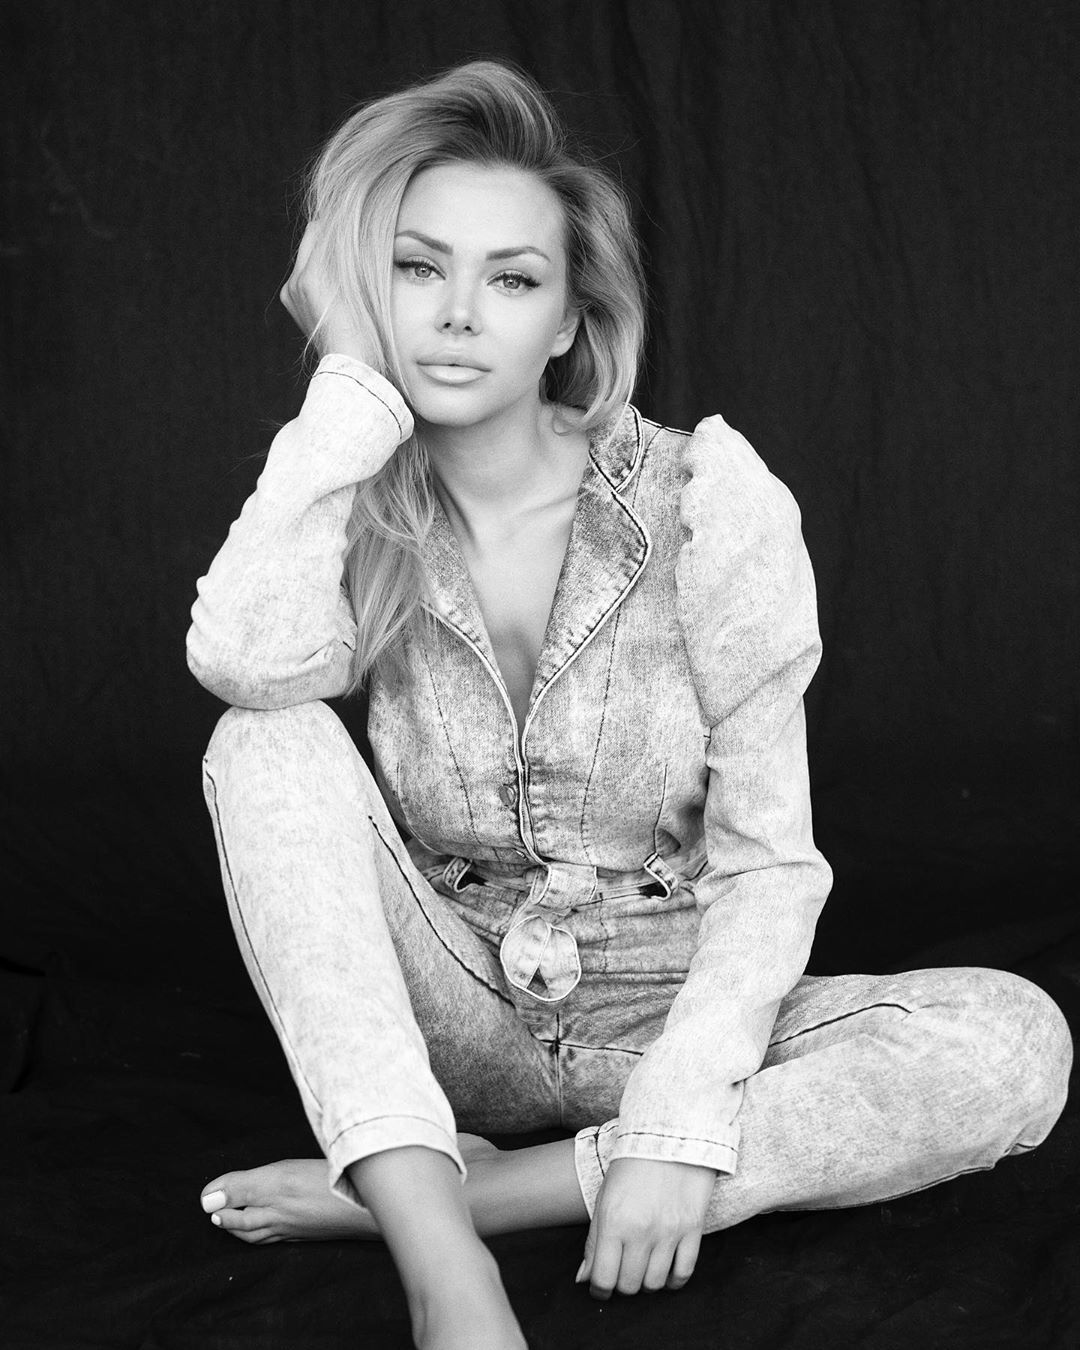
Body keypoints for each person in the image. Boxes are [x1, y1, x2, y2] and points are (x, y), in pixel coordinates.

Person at [186, 59, 1072, 1350]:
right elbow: (245, 664)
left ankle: (459, 1194)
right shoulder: (350, 498)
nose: (457, 315)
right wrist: (344, 396)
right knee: (262, 739)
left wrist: (671, 1129)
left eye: (512, 280)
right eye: (418, 269)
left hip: (667, 1005)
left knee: (1012, 1042)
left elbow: (770, 863)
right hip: (453, 1009)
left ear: (568, 321)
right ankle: (445, 1268)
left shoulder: (708, 499)